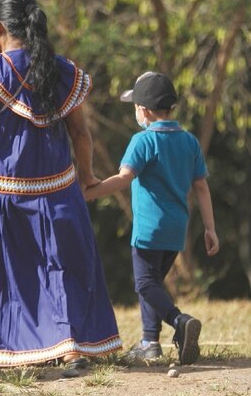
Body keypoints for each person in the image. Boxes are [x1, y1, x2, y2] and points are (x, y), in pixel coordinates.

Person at [0, 0, 122, 373]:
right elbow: (80, 134)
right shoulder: (60, 70)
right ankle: (72, 349)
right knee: (60, 269)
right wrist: (86, 177)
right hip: (56, 190)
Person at [84, 71, 219, 365]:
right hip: (176, 230)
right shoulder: (190, 142)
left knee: (145, 284)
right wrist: (210, 228)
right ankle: (149, 342)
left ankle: (180, 321)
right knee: (154, 283)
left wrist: (89, 192)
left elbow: (124, 178)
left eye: (135, 107)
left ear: (143, 110)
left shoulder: (143, 141)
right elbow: (201, 186)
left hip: (149, 229)